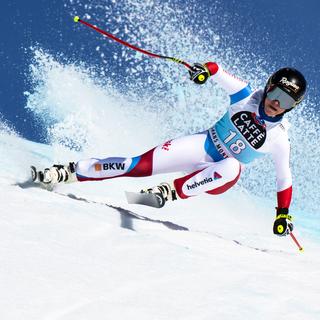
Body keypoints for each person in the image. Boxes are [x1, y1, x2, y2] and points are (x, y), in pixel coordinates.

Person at [32, 62, 307, 237]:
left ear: (292, 107)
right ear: (268, 87)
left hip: (219, 174)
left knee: (233, 165)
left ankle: (168, 192)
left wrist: (282, 213)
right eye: (276, 95)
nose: (277, 104)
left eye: (286, 101)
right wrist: (203, 72)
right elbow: (217, 70)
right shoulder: (246, 95)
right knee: (135, 166)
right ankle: (67, 172)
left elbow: (284, 178)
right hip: (203, 144)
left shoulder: (280, 138)